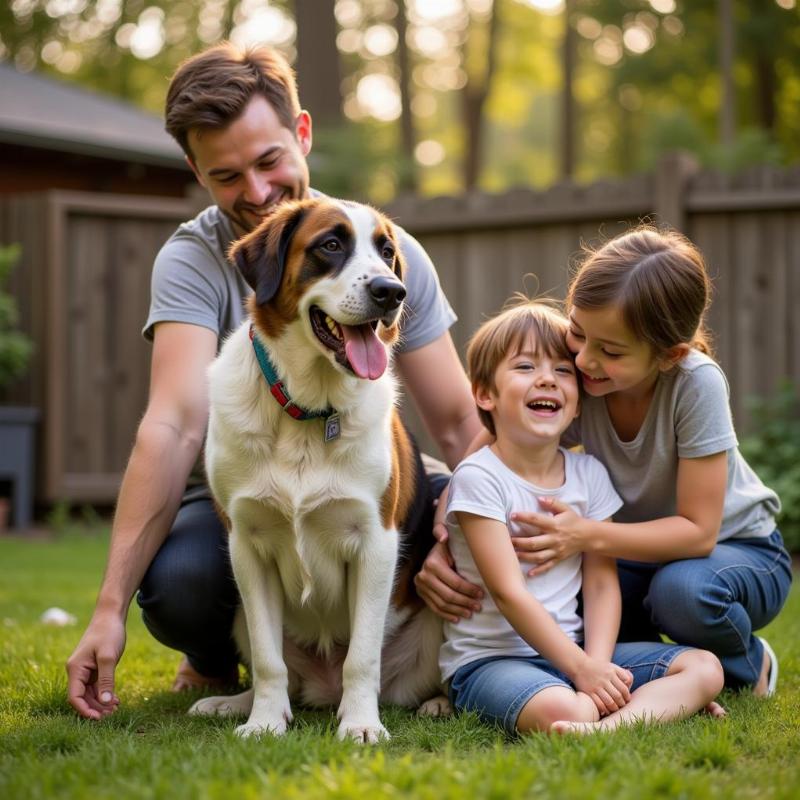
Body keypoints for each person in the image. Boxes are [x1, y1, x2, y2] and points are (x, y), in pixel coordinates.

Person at [66, 42, 482, 720]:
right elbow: (173, 424)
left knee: (442, 509)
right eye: (227, 175)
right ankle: (225, 662)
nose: (256, 194)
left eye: (269, 161)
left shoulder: (383, 249)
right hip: (246, 483)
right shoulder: (193, 258)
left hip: (362, 467)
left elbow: (461, 425)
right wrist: (108, 609)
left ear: (303, 133)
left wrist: (467, 531)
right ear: (195, 170)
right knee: (184, 584)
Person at [422, 227, 792, 698]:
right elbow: (486, 450)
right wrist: (445, 538)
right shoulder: (579, 377)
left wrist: (585, 534)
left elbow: (698, 533)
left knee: (682, 591)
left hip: (732, 551)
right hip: (632, 550)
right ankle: (634, 676)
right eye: (576, 333)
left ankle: (750, 663)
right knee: (563, 583)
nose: (584, 359)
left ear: (668, 355)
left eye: (610, 351)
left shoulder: (694, 385)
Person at [442, 298, 723, 735]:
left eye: (562, 371)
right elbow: (509, 592)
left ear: (578, 404)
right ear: (485, 395)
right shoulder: (480, 477)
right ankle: (618, 712)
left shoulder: (589, 474)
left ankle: (605, 726)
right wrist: (582, 670)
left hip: (575, 653)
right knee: (568, 708)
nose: (547, 381)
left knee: (704, 668)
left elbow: (599, 581)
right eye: (524, 368)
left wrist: (597, 664)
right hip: (492, 661)